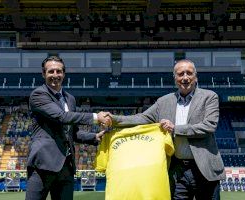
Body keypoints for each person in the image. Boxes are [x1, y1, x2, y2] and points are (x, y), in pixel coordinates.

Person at [109, 59, 226, 200]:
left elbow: (209, 126)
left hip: (204, 169)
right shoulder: (164, 101)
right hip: (177, 170)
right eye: (180, 74)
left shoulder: (209, 97)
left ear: (196, 76)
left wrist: (175, 128)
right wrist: (113, 119)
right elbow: (141, 118)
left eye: (189, 73)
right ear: (175, 78)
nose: (185, 78)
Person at [25, 55, 112, 200]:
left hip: (66, 166)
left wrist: (94, 137)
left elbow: (72, 132)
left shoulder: (70, 98)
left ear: (64, 74)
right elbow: (62, 117)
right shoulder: (38, 95)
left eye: (58, 71)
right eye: (50, 71)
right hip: (43, 164)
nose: (55, 75)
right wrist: (96, 117)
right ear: (43, 74)